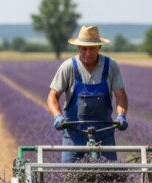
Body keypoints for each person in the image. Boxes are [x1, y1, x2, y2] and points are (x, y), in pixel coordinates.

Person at [47, 25, 129, 162]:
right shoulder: (68, 67)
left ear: (99, 48)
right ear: (78, 48)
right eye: (84, 49)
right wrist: (58, 116)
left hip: (104, 132)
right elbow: (52, 96)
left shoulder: (110, 66)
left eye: (92, 49)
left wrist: (121, 116)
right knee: (69, 176)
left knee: (110, 176)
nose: (87, 53)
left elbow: (121, 95)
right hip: (74, 132)